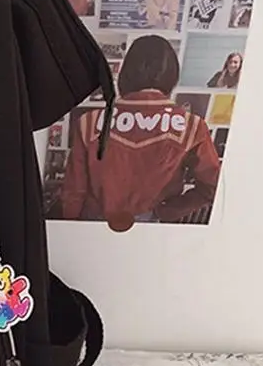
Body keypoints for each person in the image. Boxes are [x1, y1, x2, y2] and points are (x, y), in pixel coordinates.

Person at [59, 34, 221, 230]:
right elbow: (212, 186)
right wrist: (166, 212)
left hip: (92, 226)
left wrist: (70, 231)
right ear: (172, 75)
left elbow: (74, 191)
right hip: (153, 228)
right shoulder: (192, 126)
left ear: (126, 72)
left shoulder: (89, 122)